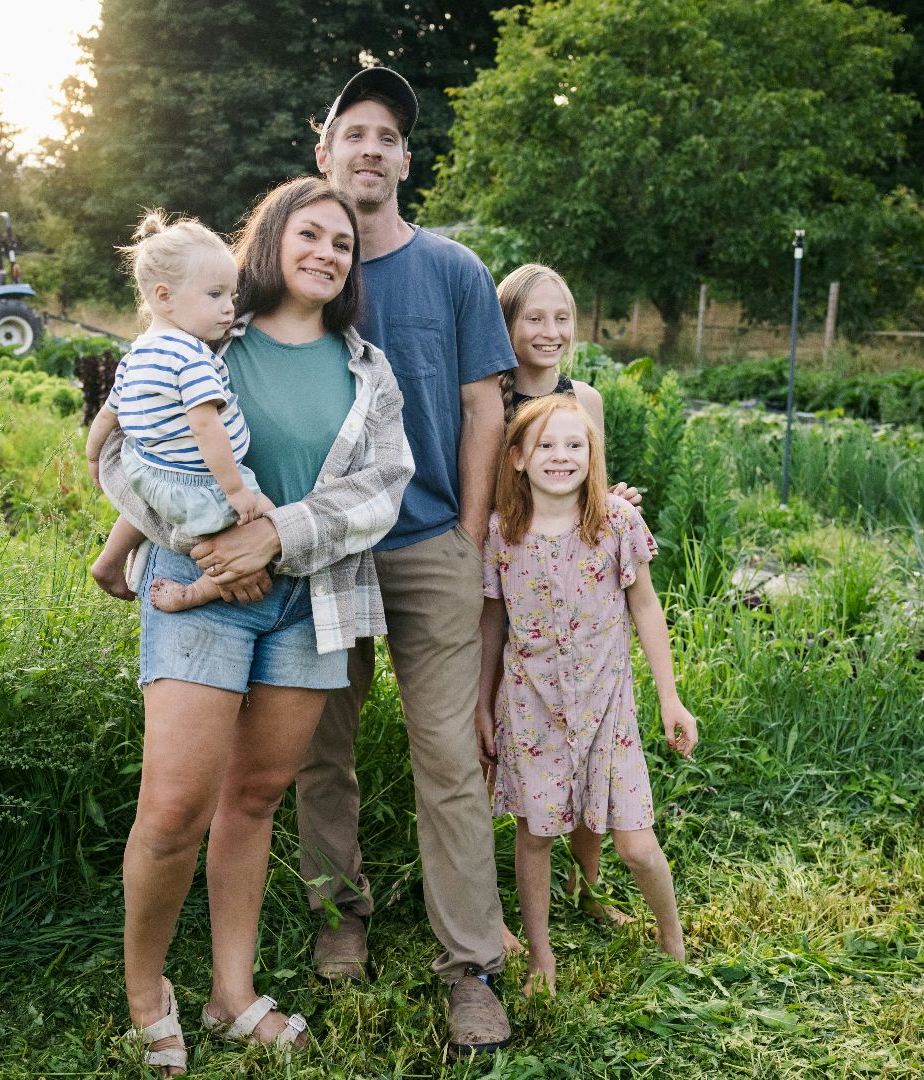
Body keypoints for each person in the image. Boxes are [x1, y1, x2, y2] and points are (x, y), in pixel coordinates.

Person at [94, 177, 413, 1076]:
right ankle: (146, 992)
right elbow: (129, 451)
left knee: (255, 796)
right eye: (308, 234)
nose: (326, 253)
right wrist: (204, 548)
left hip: (313, 603)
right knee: (173, 807)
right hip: (200, 589)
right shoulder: (203, 336)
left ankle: (231, 996)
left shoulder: (367, 370)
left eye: (342, 244)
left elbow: (382, 489)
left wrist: (275, 536)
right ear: (269, 242)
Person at [294, 66, 519, 1054]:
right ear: (325, 153)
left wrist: (469, 538)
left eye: (389, 135)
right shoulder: (297, 267)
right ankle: (338, 916)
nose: (373, 148)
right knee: (321, 748)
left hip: (429, 545)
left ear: (406, 162)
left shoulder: (455, 273)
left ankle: (469, 966)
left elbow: (484, 408)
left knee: (448, 761)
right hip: (329, 549)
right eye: (356, 131)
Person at [475, 394, 699, 997]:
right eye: (546, 445)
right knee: (537, 836)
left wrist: (670, 698)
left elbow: (646, 608)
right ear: (518, 458)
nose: (561, 456)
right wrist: (480, 701)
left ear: (592, 455)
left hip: (608, 712)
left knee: (637, 846)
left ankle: (672, 940)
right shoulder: (502, 533)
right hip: (531, 708)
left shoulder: (616, 524)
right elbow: (493, 624)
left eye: (575, 444)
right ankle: (542, 959)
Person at [87, 212, 270, 613]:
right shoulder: (190, 356)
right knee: (267, 525)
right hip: (197, 483)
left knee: (149, 500)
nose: (228, 309)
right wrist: (236, 490)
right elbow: (206, 426)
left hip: (146, 469)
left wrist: (93, 457)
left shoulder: (138, 353)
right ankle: (198, 590)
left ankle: (110, 560)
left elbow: (107, 415)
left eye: (231, 297)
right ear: (164, 296)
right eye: (215, 295)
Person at [496, 263, 604, 432]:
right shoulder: (484, 404)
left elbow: (596, 460)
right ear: (505, 325)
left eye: (561, 318)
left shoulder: (587, 400)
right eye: (534, 319)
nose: (551, 333)